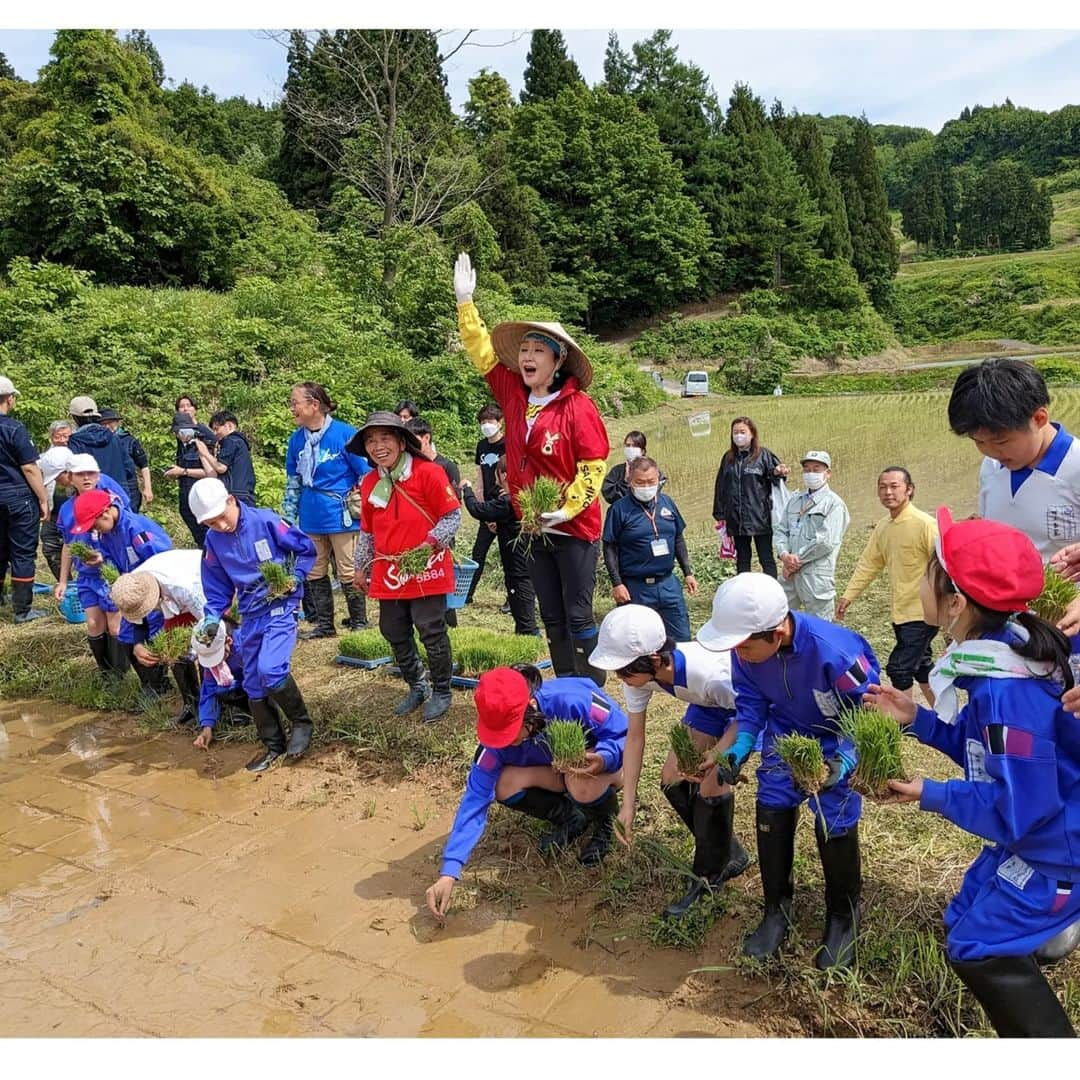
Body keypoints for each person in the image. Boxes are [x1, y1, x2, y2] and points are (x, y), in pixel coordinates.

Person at [867, 510, 1080, 1038]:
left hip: (1054, 845)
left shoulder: (1007, 693)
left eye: (928, 572)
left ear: (957, 603)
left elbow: (1018, 813)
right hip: (1039, 832)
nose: (918, 581)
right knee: (964, 913)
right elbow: (982, 752)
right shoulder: (1001, 651)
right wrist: (917, 719)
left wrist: (930, 793)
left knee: (976, 947)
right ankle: (1044, 935)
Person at [698, 572, 881, 969]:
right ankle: (776, 911)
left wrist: (846, 759)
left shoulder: (837, 652)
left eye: (744, 647)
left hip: (837, 738)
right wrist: (742, 745)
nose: (738, 654)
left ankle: (843, 916)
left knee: (834, 816)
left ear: (777, 632)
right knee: (772, 805)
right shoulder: (744, 648)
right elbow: (749, 703)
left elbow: (872, 714)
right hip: (786, 735)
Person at [455, 251, 610, 683]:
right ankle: (566, 684)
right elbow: (483, 353)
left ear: (558, 360)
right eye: (523, 349)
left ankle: (593, 688)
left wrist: (568, 509)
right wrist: (466, 305)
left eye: (537, 349)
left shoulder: (577, 407)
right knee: (551, 613)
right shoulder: (513, 395)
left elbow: (594, 466)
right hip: (531, 524)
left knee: (578, 612)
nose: (527, 355)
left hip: (574, 527)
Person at [424, 665, 627, 921]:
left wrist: (604, 757)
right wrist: (449, 872)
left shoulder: (571, 701)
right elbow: (475, 800)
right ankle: (571, 817)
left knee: (580, 783)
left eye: (509, 733)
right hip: (553, 772)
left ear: (530, 708)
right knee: (502, 783)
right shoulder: (493, 745)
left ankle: (605, 826)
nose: (504, 742)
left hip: (595, 769)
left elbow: (623, 734)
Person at [589, 605, 750, 918]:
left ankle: (707, 877)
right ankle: (727, 852)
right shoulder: (640, 676)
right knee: (673, 778)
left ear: (653, 659)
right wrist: (628, 805)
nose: (619, 678)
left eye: (623, 671)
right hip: (707, 706)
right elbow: (635, 738)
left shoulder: (709, 675)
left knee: (709, 786)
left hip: (744, 710)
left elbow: (749, 716)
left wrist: (719, 754)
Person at [192, 476, 317, 772]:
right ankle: (273, 744)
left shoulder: (266, 521)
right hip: (250, 613)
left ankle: (302, 723)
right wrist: (212, 618)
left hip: (280, 605)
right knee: (252, 681)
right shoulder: (213, 541)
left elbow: (305, 548)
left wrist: (295, 577)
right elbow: (217, 584)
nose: (220, 526)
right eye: (211, 523)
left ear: (231, 501)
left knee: (271, 669)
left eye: (222, 517)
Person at [347, 412, 460, 723]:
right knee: (392, 628)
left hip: (426, 564)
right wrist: (360, 567)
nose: (377, 446)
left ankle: (441, 690)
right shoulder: (370, 482)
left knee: (430, 628)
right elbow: (368, 532)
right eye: (370, 440)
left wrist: (428, 545)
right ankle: (417, 685)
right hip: (389, 569)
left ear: (400, 441)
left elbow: (452, 518)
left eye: (385, 438)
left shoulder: (429, 473)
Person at [948, 357, 1080, 562]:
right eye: (979, 442)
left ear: (1038, 419)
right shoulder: (991, 468)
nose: (990, 452)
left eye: (1001, 441)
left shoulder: (1076, 465)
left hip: (1064, 593)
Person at [837, 467, 939, 704]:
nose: (888, 492)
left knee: (899, 668)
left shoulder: (925, 524)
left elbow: (947, 565)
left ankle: (904, 723)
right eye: (883, 487)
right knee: (922, 666)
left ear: (910, 489)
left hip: (924, 611)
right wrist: (848, 596)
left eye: (894, 486)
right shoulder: (884, 526)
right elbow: (869, 563)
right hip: (901, 611)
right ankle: (947, 717)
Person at [283, 382, 371, 638]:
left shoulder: (344, 434)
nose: (292, 408)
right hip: (310, 515)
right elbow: (293, 483)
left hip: (340, 515)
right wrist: (287, 518)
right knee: (314, 569)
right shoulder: (296, 440)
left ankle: (359, 620)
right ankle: (324, 625)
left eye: (295, 402)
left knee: (347, 569)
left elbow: (365, 475)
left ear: (314, 404)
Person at [69, 489, 174, 702]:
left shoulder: (136, 529)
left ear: (106, 513)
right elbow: (111, 559)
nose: (95, 531)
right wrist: (100, 560)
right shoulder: (107, 533)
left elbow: (163, 560)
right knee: (126, 636)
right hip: (131, 595)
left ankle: (159, 683)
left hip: (154, 593)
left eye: (95, 524)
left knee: (152, 634)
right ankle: (148, 684)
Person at [602, 455, 696, 642]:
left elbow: (678, 538)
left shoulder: (667, 503)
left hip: (668, 583)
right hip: (635, 587)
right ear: (630, 482)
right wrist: (617, 583)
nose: (646, 487)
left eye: (651, 482)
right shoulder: (619, 510)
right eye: (640, 482)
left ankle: (676, 671)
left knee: (682, 639)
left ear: (658, 478)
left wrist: (688, 572)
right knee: (641, 643)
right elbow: (609, 547)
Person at [53, 454, 132, 676]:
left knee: (115, 625)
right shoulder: (67, 509)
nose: (86, 478)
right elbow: (68, 545)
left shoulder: (110, 504)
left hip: (110, 573)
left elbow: (124, 536)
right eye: (80, 474)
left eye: (91, 473)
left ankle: (122, 674)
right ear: (70, 478)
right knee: (93, 623)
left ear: (98, 475)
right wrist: (62, 580)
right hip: (86, 576)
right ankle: (105, 673)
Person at [110, 548, 206, 726]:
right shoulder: (132, 588)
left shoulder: (184, 588)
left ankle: (213, 705)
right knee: (175, 649)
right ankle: (191, 704)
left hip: (206, 585)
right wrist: (138, 644)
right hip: (173, 597)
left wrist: (200, 646)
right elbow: (139, 622)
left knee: (207, 651)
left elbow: (211, 623)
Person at [460, 457, 538, 636]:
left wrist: (467, 488)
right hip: (525, 567)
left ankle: (533, 650)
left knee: (526, 622)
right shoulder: (524, 497)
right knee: (521, 618)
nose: (495, 482)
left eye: (497, 476)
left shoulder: (510, 501)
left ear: (505, 475)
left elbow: (477, 510)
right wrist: (501, 524)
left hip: (519, 571)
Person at [773, 450, 849, 621]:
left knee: (819, 626)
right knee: (778, 617)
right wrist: (784, 554)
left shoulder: (834, 505)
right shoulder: (794, 500)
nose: (811, 474)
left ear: (827, 473)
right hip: (789, 573)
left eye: (816, 469)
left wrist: (795, 561)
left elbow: (825, 542)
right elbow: (781, 531)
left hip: (816, 575)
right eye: (807, 469)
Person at [712, 416, 789, 577]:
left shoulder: (763, 455)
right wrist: (719, 513)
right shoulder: (728, 458)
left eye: (742, 432)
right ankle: (743, 592)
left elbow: (775, 476)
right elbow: (721, 486)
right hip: (736, 517)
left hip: (760, 516)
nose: (738, 435)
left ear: (752, 434)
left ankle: (771, 592)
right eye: (735, 432)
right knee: (742, 558)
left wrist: (777, 472)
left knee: (765, 557)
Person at [0, 375, 50, 623]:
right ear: (9, 399)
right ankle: (22, 610)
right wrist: (43, 498)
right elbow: (30, 467)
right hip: (18, 498)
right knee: (22, 553)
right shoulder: (14, 428)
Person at [466, 403, 510, 610]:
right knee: (478, 552)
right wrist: (484, 511)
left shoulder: (509, 444)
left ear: (500, 422)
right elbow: (480, 480)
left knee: (509, 556)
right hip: (487, 507)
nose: (486, 425)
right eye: (483, 422)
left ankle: (512, 598)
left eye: (490, 421)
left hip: (506, 506)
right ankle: (467, 594)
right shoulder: (481, 446)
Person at [191, 617, 253, 751]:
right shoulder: (212, 654)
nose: (214, 663)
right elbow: (209, 689)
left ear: (228, 641)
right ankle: (245, 710)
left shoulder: (246, 645)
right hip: (240, 685)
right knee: (221, 689)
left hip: (256, 684)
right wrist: (207, 727)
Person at [164, 411, 216, 547]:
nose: (178, 435)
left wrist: (183, 471)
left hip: (202, 497)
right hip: (186, 497)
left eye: (179, 431)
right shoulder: (182, 446)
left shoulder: (203, 443)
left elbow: (210, 472)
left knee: (207, 533)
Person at [66, 396, 130, 488]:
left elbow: (75, 473)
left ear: (74, 417)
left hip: (93, 495)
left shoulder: (74, 442)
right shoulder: (114, 437)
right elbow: (128, 468)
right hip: (118, 493)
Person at [196, 411, 256, 507]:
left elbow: (220, 467)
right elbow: (214, 475)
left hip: (236, 496)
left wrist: (206, 453)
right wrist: (202, 454)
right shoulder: (240, 443)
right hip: (243, 494)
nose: (215, 434)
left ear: (229, 425)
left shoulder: (231, 440)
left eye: (217, 429)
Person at [99, 408, 152, 513]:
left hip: (129, 486)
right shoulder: (98, 442)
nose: (107, 426)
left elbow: (144, 465)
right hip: (107, 486)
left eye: (110, 423)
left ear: (118, 423)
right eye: (103, 424)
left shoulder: (129, 440)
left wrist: (148, 488)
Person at [37, 446, 74, 582]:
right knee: (50, 547)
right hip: (55, 514)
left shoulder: (93, 484)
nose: (57, 482)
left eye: (58, 478)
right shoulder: (45, 459)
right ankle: (69, 587)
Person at [602, 430, 667, 505]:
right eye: (628, 445)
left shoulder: (651, 469)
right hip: (623, 512)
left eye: (635, 446)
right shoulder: (617, 471)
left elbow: (654, 490)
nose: (631, 449)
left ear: (642, 450)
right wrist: (625, 482)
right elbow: (609, 494)